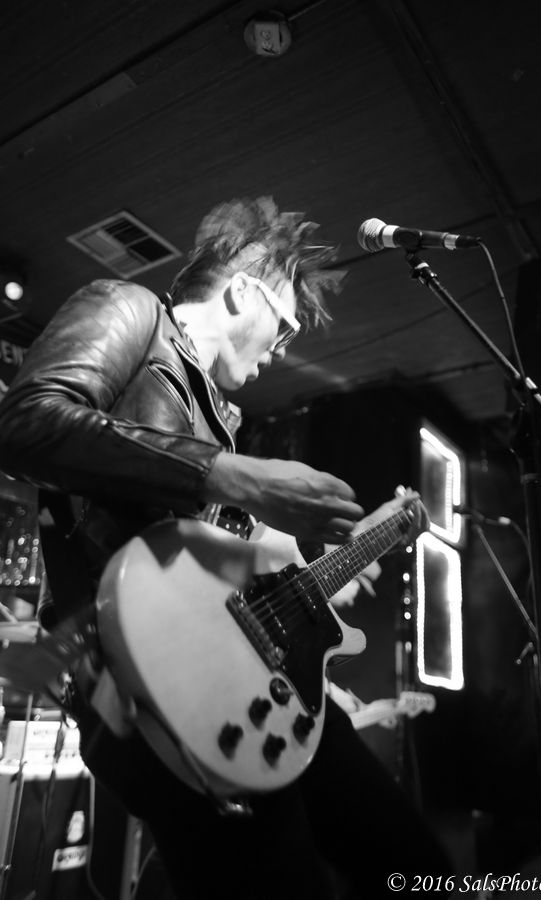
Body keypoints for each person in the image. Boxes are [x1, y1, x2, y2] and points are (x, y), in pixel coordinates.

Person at [0, 197, 451, 899]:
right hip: (152, 699)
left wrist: (353, 549)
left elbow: (229, 588)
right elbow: (25, 424)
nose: (285, 347)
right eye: (286, 324)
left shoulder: (222, 421)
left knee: (419, 868)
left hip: (246, 689)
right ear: (242, 292)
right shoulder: (129, 308)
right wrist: (235, 476)